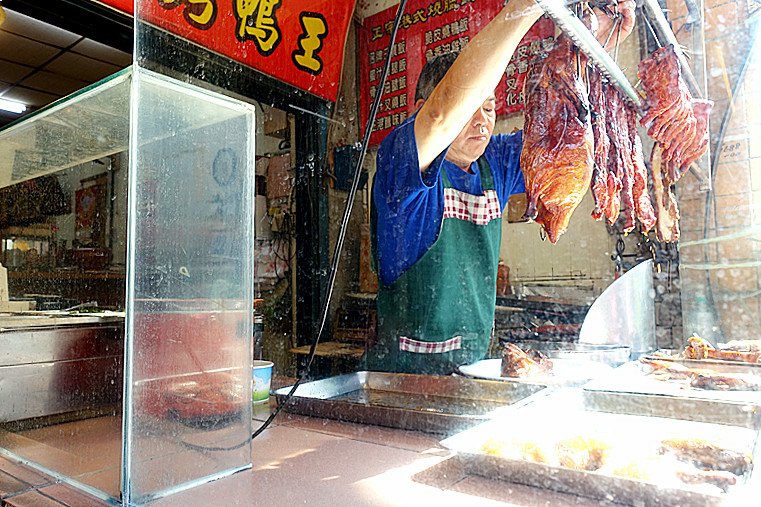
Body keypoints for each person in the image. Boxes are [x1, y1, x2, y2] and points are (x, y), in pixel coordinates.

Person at [366, 0, 636, 375]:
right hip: (405, 381)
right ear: (421, 111)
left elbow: (563, 130)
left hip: (475, 371)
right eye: (471, 108)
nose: (482, 122)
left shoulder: (493, 162)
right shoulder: (401, 161)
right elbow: (443, 115)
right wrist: (526, 6)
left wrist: (595, 39)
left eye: (489, 108)